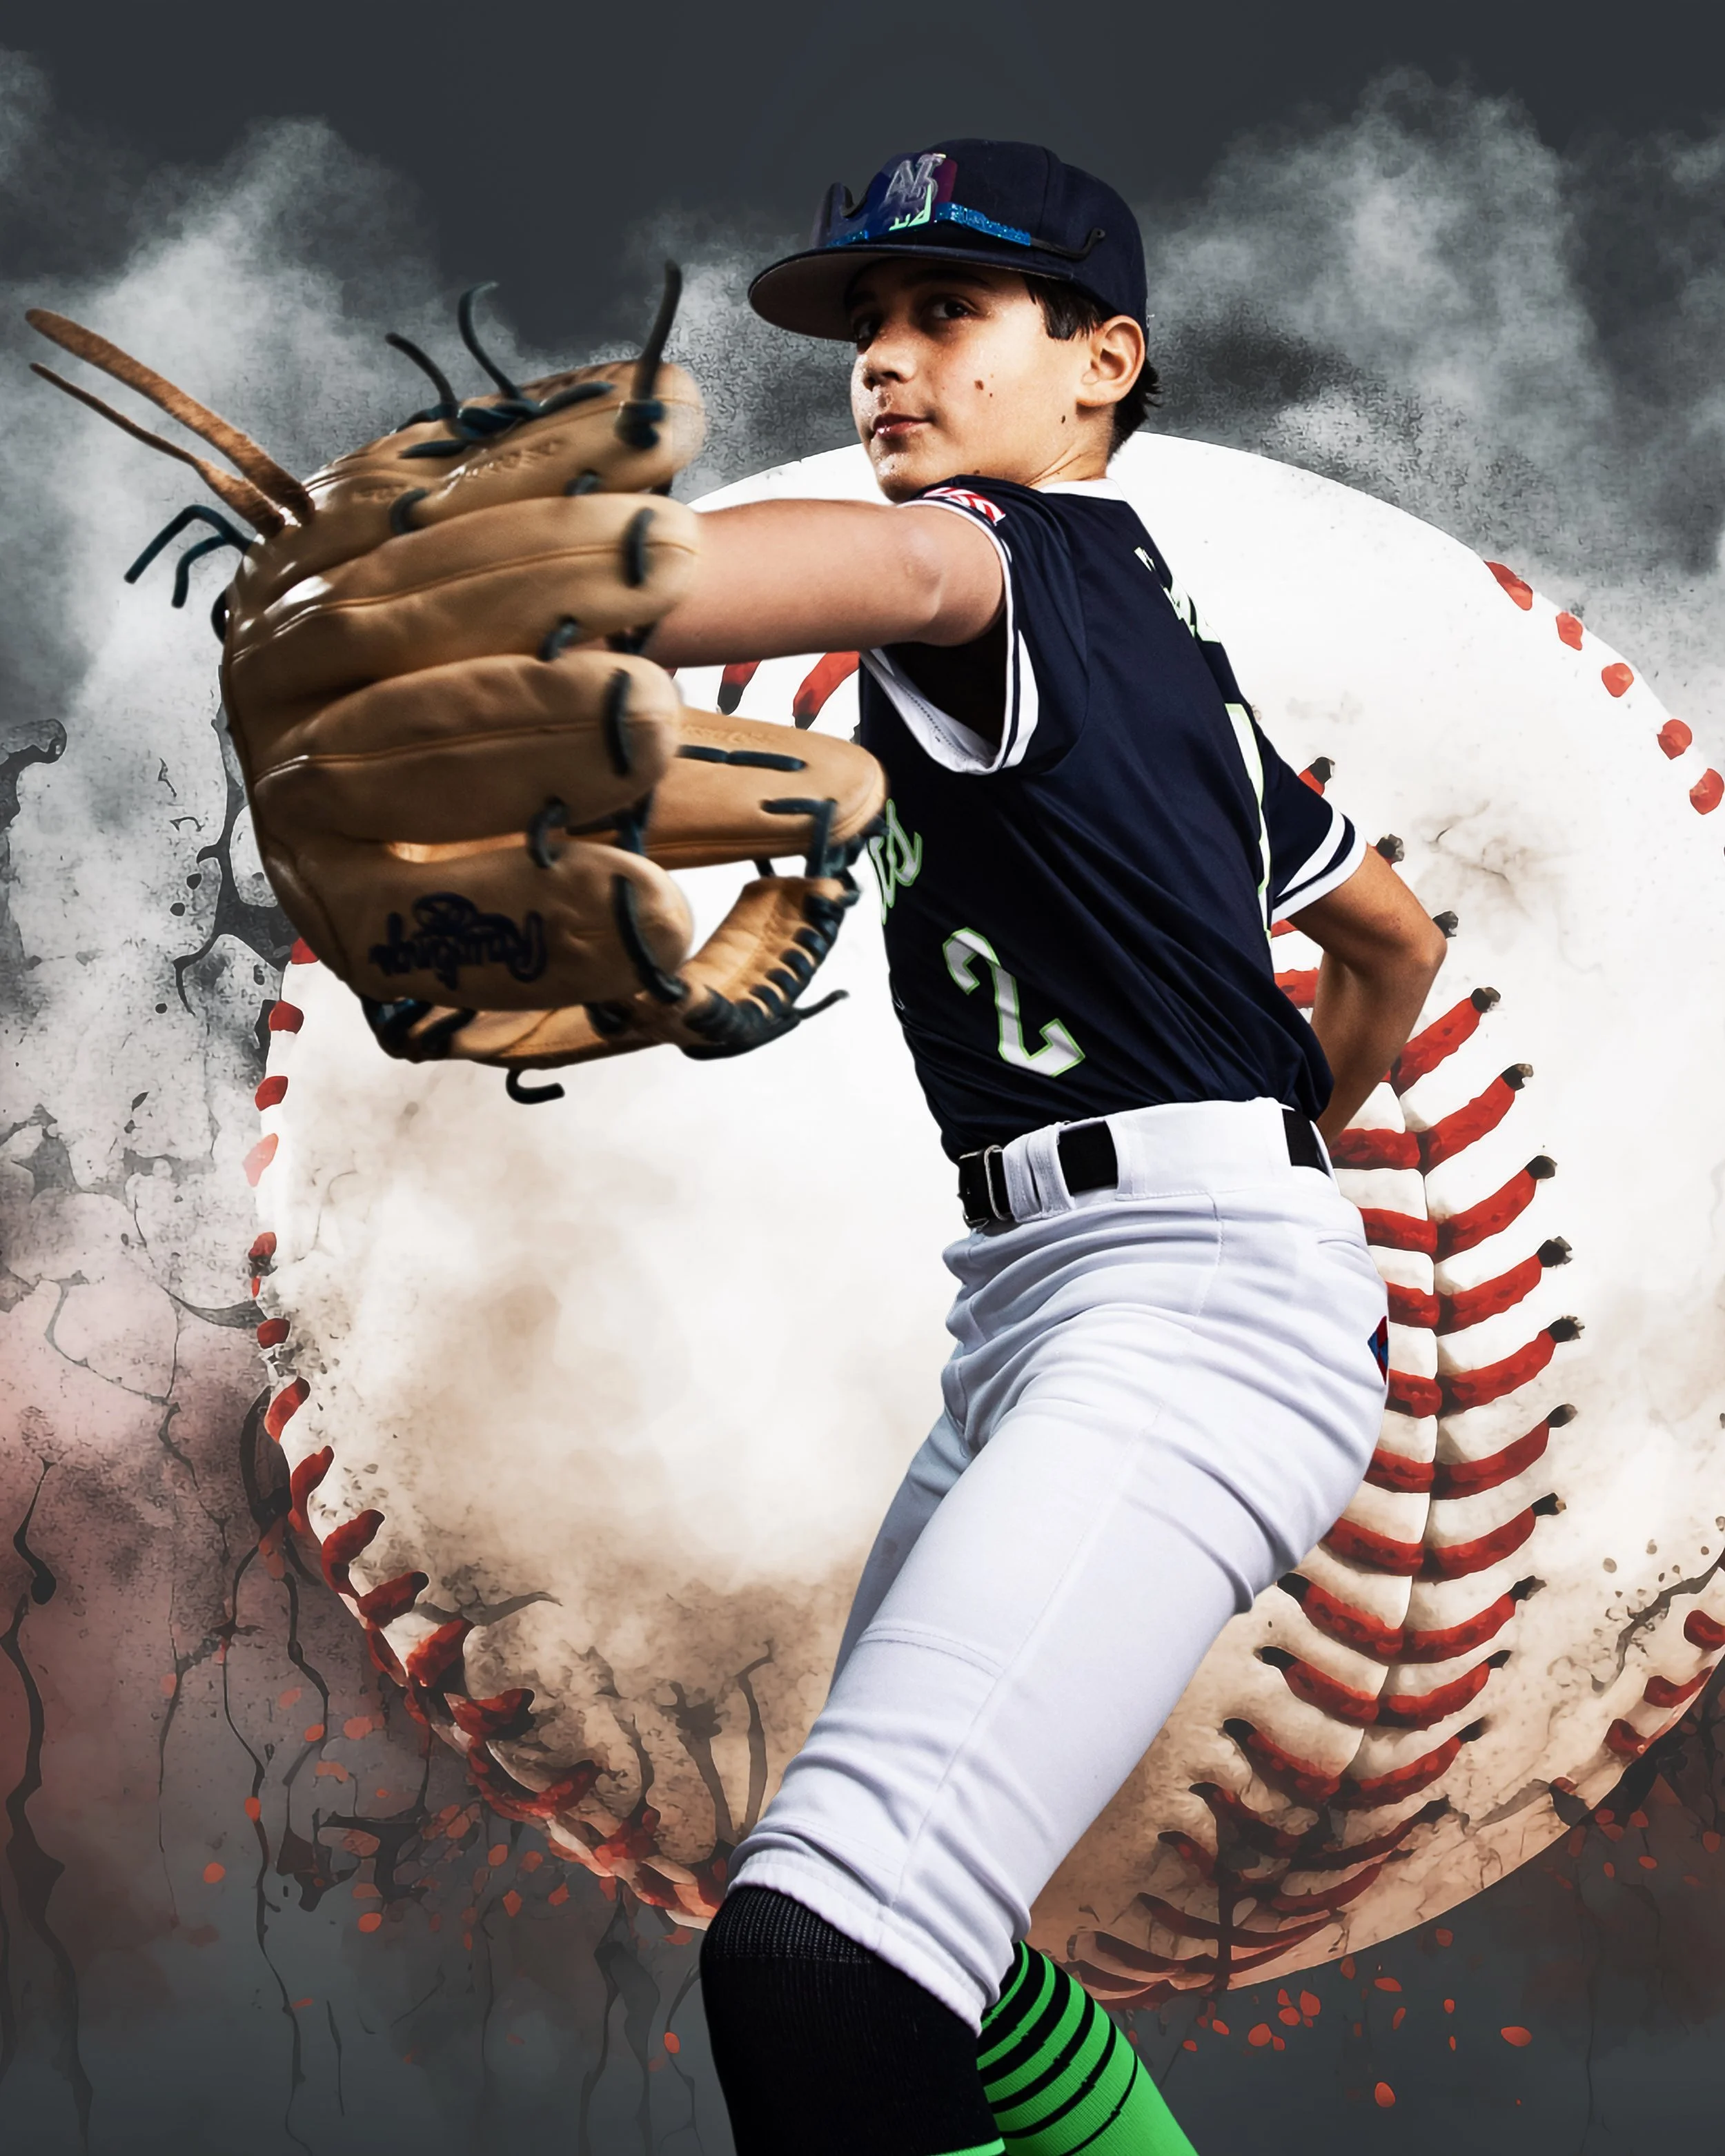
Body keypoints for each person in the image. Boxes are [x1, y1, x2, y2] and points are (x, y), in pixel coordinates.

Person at [646, 139, 1448, 2156]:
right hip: (1049, 1304)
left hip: (1178, 1309)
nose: (882, 361)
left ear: (1103, 360)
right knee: (945, 1952)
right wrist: (1282, 1155)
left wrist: (582, 589)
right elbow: (1385, 936)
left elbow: (904, 566)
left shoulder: (1004, 561)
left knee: (819, 1958)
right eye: (863, 325)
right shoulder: (1158, 654)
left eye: (945, 312)